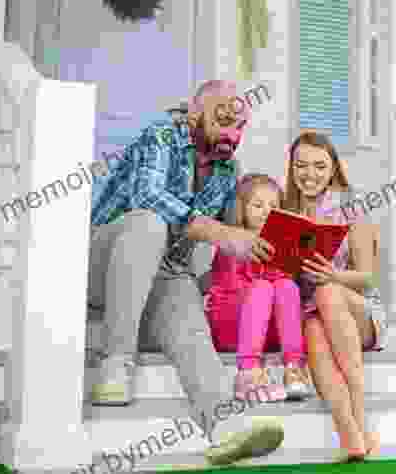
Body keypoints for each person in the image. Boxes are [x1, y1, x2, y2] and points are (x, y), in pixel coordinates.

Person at [86, 79, 284, 466]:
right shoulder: (160, 136)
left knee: (189, 319)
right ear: (194, 113)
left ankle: (225, 427)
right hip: (106, 260)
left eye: (240, 126)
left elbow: (236, 236)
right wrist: (222, 232)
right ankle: (116, 360)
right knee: (148, 224)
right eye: (224, 120)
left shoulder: (228, 171)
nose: (232, 132)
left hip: (166, 271)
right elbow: (148, 197)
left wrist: (278, 244)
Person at [283, 131, 388, 461]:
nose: (309, 174)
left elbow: (367, 277)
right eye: (301, 165)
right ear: (291, 168)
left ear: (333, 169)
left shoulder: (351, 206)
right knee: (313, 329)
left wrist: (332, 276)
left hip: (360, 312)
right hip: (315, 312)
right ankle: (350, 436)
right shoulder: (285, 210)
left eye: (319, 166)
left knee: (327, 293)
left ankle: (359, 411)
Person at [205, 173, 312, 403]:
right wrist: (263, 280)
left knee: (287, 286)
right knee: (263, 287)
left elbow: (284, 295)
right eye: (258, 205)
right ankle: (248, 371)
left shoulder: (280, 244)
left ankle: (294, 366)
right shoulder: (232, 243)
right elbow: (229, 292)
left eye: (273, 206)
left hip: (267, 331)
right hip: (232, 325)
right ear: (242, 209)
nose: (266, 211)